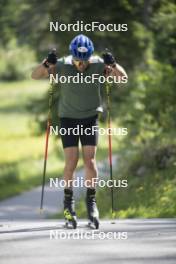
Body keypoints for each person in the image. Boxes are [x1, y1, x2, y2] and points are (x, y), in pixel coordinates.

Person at [32, 34, 127, 228]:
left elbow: (123, 78)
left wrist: (114, 64)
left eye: (84, 61)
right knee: (72, 161)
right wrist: (46, 64)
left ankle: (91, 203)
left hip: (90, 118)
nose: (81, 64)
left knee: (90, 161)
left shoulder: (99, 64)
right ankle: (68, 204)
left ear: (90, 57)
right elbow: (35, 75)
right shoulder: (62, 64)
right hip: (68, 119)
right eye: (78, 60)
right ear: (72, 56)